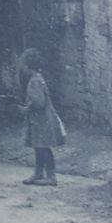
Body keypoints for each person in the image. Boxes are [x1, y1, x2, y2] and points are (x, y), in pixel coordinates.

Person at [20, 48, 65, 185]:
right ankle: (38, 173)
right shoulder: (39, 79)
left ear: (28, 66)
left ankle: (51, 176)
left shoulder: (34, 81)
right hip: (41, 119)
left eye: (23, 65)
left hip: (41, 120)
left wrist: (26, 108)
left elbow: (39, 102)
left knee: (44, 147)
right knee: (39, 146)